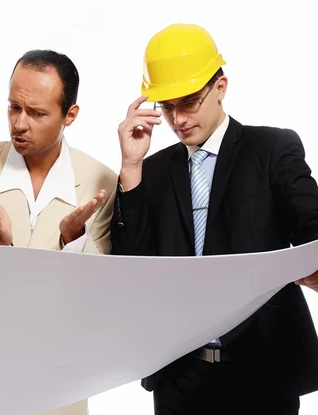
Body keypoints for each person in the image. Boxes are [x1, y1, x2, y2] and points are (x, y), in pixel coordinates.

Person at [111, 23, 318, 414]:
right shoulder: (151, 170)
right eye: (167, 107)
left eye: (188, 103)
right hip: (179, 376)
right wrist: (131, 167)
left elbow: (312, 225)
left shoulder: (272, 149)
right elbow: (131, 265)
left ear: (220, 87)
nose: (178, 119)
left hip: (262, 370)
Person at [0, 50, 117, 415]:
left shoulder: (101, 182)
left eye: (37, 113)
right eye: (13, 107)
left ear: (70, 115)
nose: (20, 123)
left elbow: (102, 297)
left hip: (58, 389)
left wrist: (73, 240)